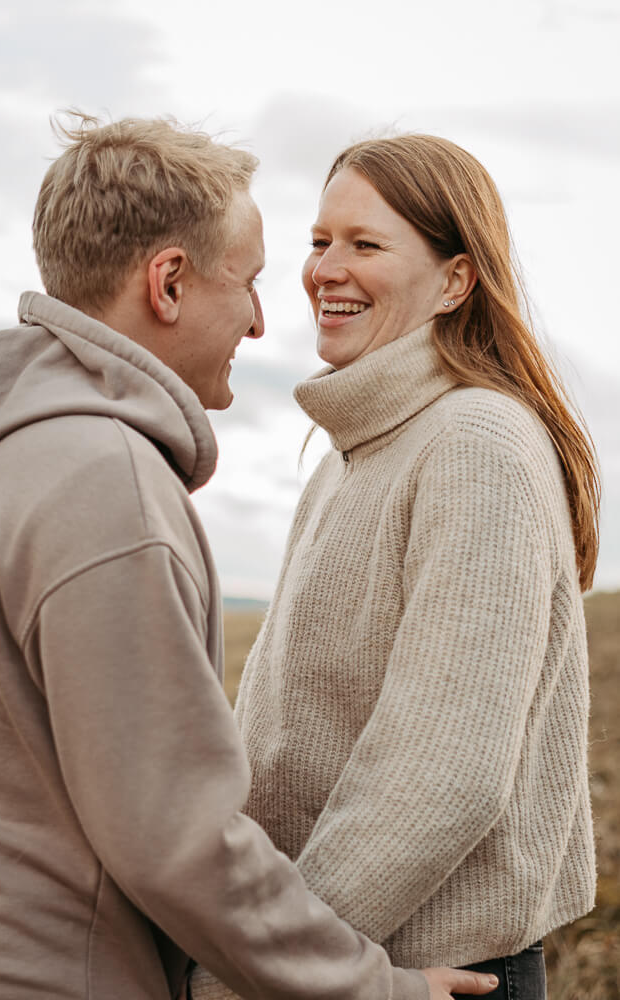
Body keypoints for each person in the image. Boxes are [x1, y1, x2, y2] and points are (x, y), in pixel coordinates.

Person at [0, 115, 497, 1000]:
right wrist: (374, 989)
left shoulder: (4, 460)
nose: (258, 320)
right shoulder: (105, 481)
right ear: (168, 283)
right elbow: (175, 834)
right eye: (247, 281)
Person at [190, 134, 599, 1000]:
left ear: (455, 281)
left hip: (424, 973)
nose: (324, 270)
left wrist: (263, 970)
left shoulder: (474, 445)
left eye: (365, 244)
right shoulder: (353, 450)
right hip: (337, 963)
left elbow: (441, 773)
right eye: (318, 240)